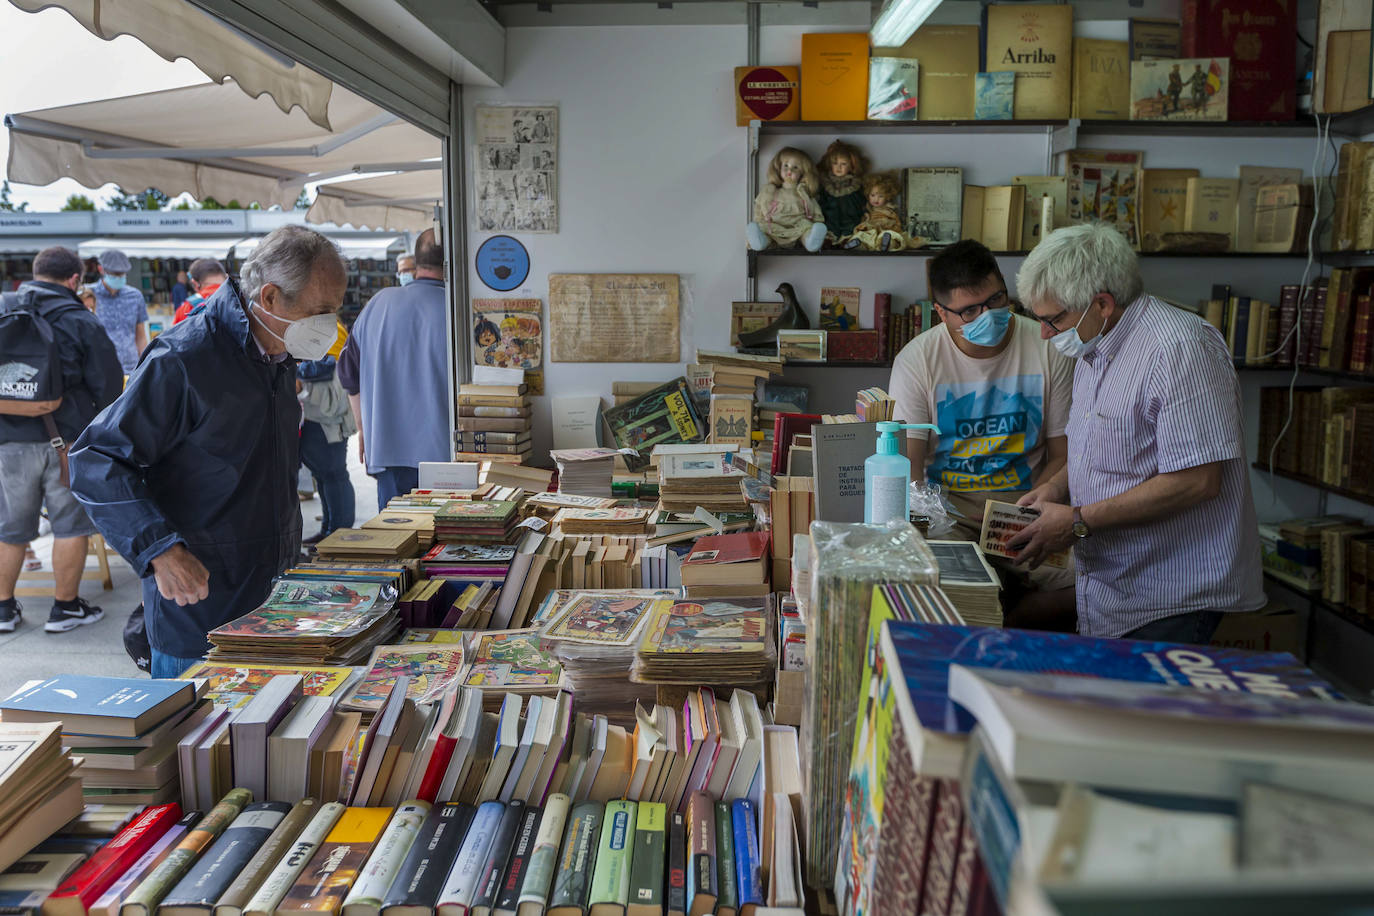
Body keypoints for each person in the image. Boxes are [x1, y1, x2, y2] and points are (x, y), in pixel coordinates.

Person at [70, 225, 348, 678]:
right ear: (272, 297)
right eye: (321, 311)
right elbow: (97, 459)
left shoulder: (277, 357)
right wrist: (159, 550)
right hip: (198, 612)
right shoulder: (183, 359)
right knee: (197, 744)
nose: (328, 324)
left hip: (272, 603)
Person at [1009, 222, 1265, 644]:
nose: (1044, 334)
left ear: (1102, 304)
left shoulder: (1180, 349)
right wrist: (1054, 488)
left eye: (1052, 320)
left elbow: (1197, 481)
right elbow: (1100, 448)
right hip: (1116, 586)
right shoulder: (1096, 348)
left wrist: (1075, 522)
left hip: (1174, 591)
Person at [888, 239, 1075, 628]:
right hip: (949, 513)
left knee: (1092, 584)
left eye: (996, 300)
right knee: (935, 591)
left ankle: (1008, 623)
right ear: (941, 312)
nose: (987, 315)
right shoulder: (917, 360)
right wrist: (930, 523)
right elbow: (909, 466)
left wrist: (1034, 510)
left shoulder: (1048, 349)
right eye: (969, 310)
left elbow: (1064, 453)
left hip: (1024, 508)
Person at [0, 246, 123, 634]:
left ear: (35, 273)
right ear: (75, 280)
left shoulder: (4, 309)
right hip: (66, 440)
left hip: (8, 439)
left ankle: (3, 610)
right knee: (70, 525)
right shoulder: (80, 320)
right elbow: (108, 388)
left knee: (9, 527)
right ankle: (65, 608)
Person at [338, 230, 449, 509]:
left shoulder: (378, 304)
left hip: (388, 451)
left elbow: (348, 373)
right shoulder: (456, 308)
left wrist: (364, 429)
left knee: (397, 544)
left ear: (417, 261)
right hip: (449, 458)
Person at [297, 328, 357, 545]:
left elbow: (329, 369)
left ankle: (339, 537)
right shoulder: (316, 327)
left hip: (328, 417)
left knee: (334, 475)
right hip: (316, 417)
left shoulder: (327, 330)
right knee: (324, 476)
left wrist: (299, 377)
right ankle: (328, 531)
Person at [91, 249, 149, 374]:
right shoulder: (89, 295)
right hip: (100, 369)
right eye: (114, 274)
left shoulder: (135, 296)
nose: (118, 278)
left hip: (131, 368)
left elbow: (140, 336)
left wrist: (144, 365)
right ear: (101, 270)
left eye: (122, 275)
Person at [173, 259, 228, 324]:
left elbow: (175, 332)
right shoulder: (239, 298)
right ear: (226, 277)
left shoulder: (186, 309)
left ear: (195, 284)